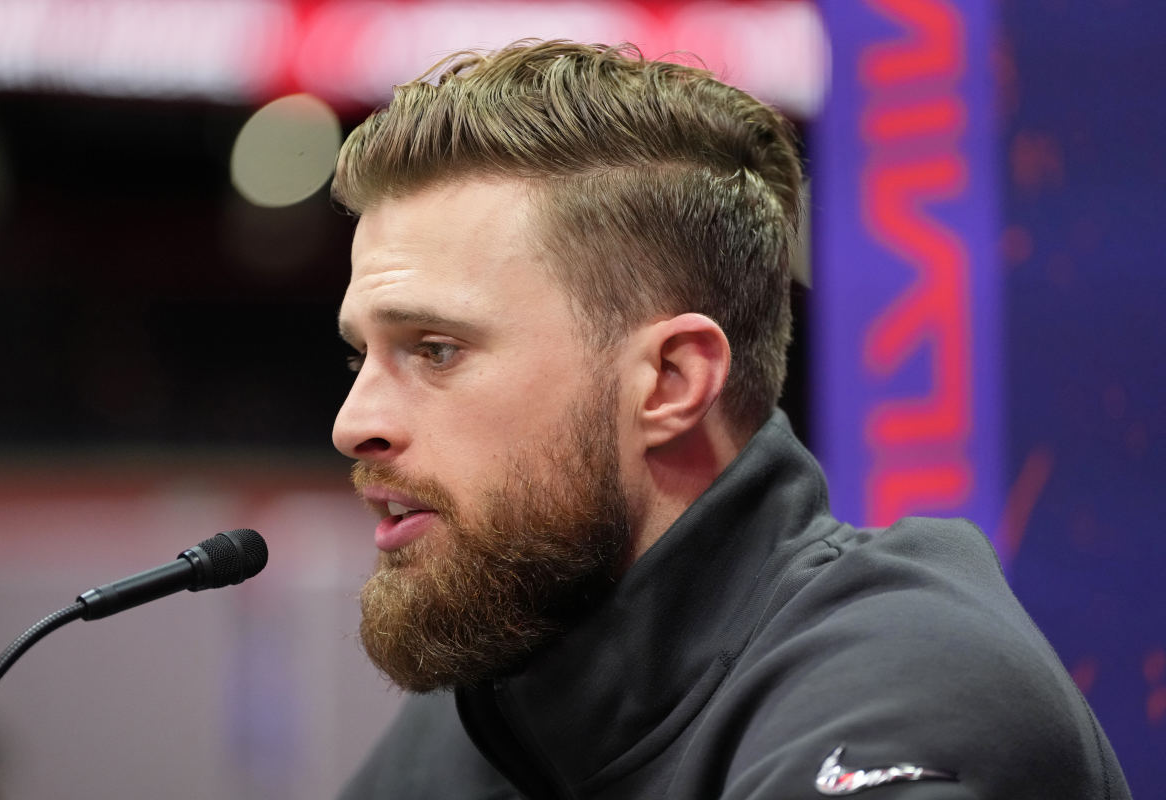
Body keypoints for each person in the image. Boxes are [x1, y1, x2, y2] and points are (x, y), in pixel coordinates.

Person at [329, 39, 1130, 799]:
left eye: (434, 350)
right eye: (360, 354)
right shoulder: (478, 714)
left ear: (671, 381)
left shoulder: (908, 682)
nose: (352, 422)